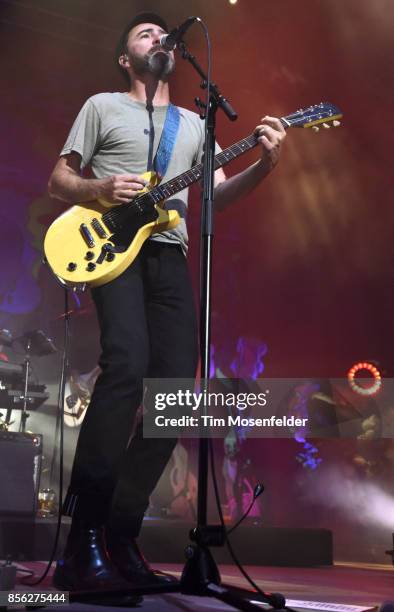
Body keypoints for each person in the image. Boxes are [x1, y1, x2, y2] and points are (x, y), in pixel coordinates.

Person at [47, 12, 286, 593]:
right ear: (126, 59)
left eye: (162, 34)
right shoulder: (102, 106)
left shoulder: (194, 124)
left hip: (169, 254)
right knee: (126, 366)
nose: (158, 39)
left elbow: (218, 196)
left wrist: (266, 162)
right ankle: (84, 539)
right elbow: (60, 180)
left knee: (178, 391)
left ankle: (121, 534)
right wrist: (99, 189)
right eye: (144, 34)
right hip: (111, 249)